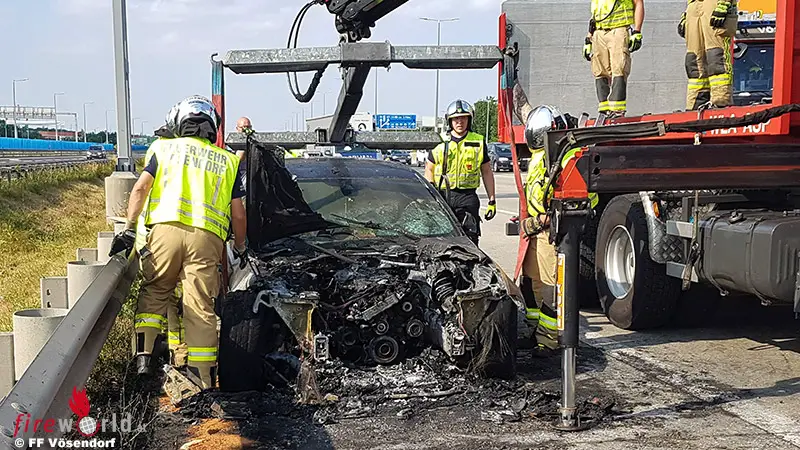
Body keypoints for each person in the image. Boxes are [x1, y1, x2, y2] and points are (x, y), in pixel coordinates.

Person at [109, 95, 248, 389]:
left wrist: (130, 229)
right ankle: (203, 378)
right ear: (212, 127)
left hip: (164, 232)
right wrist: (239, 247)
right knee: (199, 305)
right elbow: (238, 213)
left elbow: (140, 190)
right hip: (207, 239)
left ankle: (145, 359)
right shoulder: (227, 161)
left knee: (155, 291)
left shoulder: (162, 148)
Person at [510, 80, 598, 354]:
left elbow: (574, 201)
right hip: (534, 232)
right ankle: (534, 330)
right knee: (531, 282)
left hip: (550, 233)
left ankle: (548, 340)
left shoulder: (565, 158)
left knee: (550, 287)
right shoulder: (540, 156)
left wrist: (541, 221)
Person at [424, 99, 497, 245]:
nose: (460, 122)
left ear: (469, 120)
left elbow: (487, 172)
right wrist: (431, 195)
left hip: (467, 196)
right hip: (443, 196)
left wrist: (492, 200)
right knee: (441, 239)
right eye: (456, 119)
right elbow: (429, 169)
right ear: (449, 121)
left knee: (470, 238)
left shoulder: (478, 141)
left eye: (463, 118)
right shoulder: (440, 141)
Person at [583, 0, 645, 117]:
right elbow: (596, 14)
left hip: (618, 29)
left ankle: (617, 110)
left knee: (619, 68)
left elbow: (638, 3)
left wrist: (637, 31)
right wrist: (588, 38)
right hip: (599, 32)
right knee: (599, 70)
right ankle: (604, 109)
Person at [679, 0, 738, 110]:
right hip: (694, 6)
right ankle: (696, 102)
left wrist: (724, 3)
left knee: (716, 56)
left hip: (715, 4)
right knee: (694, 60)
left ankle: (720, 101)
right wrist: (687, 12)